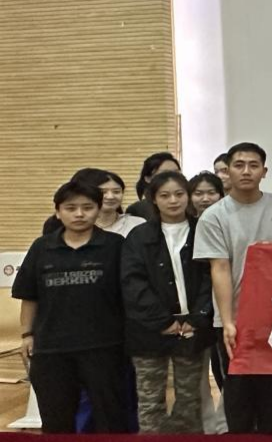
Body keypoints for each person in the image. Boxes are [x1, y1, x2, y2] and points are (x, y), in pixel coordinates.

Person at [193, 142, 272, 435]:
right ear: (227, 171)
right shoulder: (214, 216)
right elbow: (219, 268)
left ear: (264, 172)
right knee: (238, 397)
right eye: (239, 165)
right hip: (235, 321)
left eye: (253, 165)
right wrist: (228, 321)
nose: (246, 171)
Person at [14, 180, 129, 433]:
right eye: (70, 208)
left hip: (105, 347)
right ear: (58, 212)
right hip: (52, 348)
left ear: (98, 209)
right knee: (56, 420)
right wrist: (27, 334)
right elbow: (29, 296)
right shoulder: (42, 247)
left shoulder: (115, 245)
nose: (79, 214)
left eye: (87, 207)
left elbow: (128, 295)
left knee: (111, 418)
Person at [122, 171, 214, 433]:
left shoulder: (204, 230)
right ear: (153, 199)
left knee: (189, 399)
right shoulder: (138, 236)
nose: (173, 200)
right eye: (165, 195)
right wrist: (163, 321)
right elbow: (133, 283)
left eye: (179, 194)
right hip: (149, 329)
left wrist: (197, 318)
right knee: (150, 401)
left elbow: (212, 277)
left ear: (188, 196)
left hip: (192, 327)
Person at [186, 170, 227, 433]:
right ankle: (207, 425)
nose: (205, 198)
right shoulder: (187, 229)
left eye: (211, 192)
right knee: (197, 370)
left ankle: (225, 423)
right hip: (195, 309)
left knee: (226, 369)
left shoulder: (227, 223)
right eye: (198, 193)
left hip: (225, 306)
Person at [41, 168, 143, 237]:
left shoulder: (137, 224)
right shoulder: (65, 225)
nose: (111, 197)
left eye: (116, 192)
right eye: (103, 192)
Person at [129, 152, 182, 221]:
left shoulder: (189, 203)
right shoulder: (137, 210)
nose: (172, 177)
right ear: (148, 178)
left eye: (176, 173)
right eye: (165, 174)